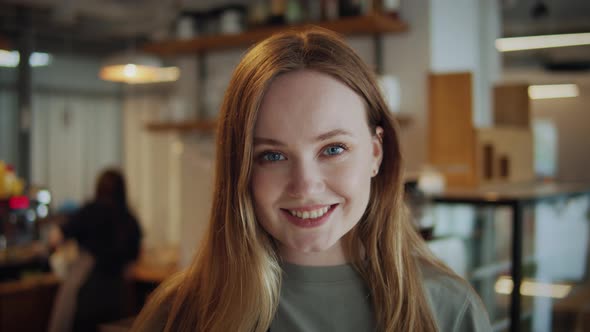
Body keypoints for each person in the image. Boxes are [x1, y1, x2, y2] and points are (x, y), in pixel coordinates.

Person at [131, 27, 491, 332]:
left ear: (376, 153)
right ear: (239, 170)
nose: (304, 186)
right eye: (272, 156)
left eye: (333, 149)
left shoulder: (449, 311)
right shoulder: (179, 313)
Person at [48, 168, 142, 332]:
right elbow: (132, 264)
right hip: (116, 294)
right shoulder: (129, 219)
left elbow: (56, 237)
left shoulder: (89, 211)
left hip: (86, 288)